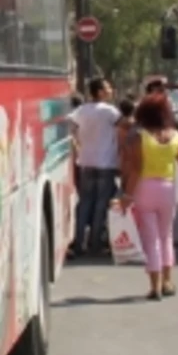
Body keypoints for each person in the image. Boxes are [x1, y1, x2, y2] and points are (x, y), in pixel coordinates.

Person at [119, 93, 178, 300]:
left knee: (150, 239)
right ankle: (168, 281)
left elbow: (135, 169)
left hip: (144, 188)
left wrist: (127, 195)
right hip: (168, 189)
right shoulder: (177, 137)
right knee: (166, 236)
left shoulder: (140, 137)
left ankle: (155, 287)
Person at [69, 77, 120, 256]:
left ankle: (78, 242)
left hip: (85, 162)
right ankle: (95, 243)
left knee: (84, 203)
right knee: (101, 205)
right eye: (107, 88)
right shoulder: (110, 112)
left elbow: (71, 129)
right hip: (105, 163)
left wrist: (77, 146)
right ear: (99, 92)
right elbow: (122, 129)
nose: (110, 90)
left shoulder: (81, 111)